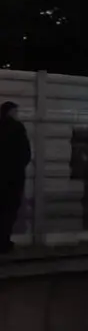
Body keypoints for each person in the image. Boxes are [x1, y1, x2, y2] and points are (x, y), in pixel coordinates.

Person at [0, 100, 31, 252]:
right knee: (10, 209)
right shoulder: (17, 128)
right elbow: (25, 153)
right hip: (13, 177)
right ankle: (4, 242)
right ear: (10, 112)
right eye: (16, 112)